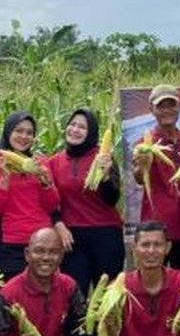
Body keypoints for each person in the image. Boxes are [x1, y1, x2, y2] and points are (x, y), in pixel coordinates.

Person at [49, 109, 124, 295]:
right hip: (72, 239)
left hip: (105, 235)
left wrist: (106, 177)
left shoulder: (104, 158)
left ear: (91, 132)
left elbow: (112, 199)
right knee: (75, 295)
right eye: (72, 124)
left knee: (107, 297)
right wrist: (58, 224)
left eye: (82, 127)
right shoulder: (54, 162)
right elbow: (49, 201)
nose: (75, 130)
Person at [0, 112, 60, 280]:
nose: (24, 136)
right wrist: (4, 181)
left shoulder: (40, 163)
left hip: (42, 243)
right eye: (18, 131)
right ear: (8, 132)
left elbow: (52, 206)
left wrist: (45, 183)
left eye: (29, 133)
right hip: (9, 245)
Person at [134, 84, 180, 277]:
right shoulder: (144, 144)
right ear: (152, 109)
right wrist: (143, 165)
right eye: (161, 106)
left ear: (179, 107)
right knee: (151, 281)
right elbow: (139, 178)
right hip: (155, 229)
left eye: (171, 105)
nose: (167, 111)